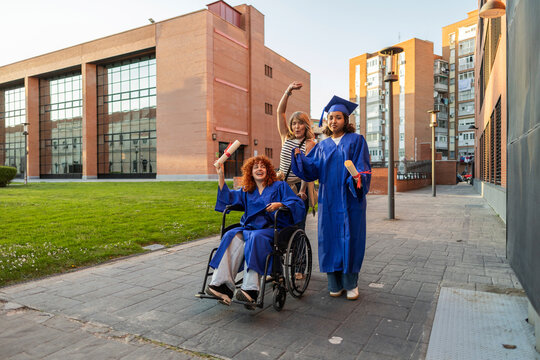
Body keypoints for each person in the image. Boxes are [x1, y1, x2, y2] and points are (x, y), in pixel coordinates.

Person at [291, 95, 371, 301]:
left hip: (351, 200)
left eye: (338, 117)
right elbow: (311, 170)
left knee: (351, 238)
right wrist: (300, 157)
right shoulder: (322, 146)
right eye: (330, 118)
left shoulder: (356, 140)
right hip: (328, 200)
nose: (333, 121)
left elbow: (363, 168)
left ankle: (351, 283)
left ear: (346, 120)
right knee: (330, 239)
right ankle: (334, 283)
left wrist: (358, 178)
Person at [206, 155, 305, 308]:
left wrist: (280, 203)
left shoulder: (280, 186)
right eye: (255, 167)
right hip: (250, 229)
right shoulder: (247, 190)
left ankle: (250, 289)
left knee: (255, 237)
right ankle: (221, 285)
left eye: (263, 166)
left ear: (268, 170)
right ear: (250, 172)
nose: (259, 169)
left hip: (274, 229)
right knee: (231, 235)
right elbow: (228, 198)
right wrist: (220, 174)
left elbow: (297, 203)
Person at [276, 81, 317, 227]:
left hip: (299, 185)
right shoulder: (286, 137)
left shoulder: (310, 143)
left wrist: (302, 190)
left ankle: (298, 248)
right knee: (280, 221)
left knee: (297, 224)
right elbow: (280, 112)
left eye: (300, 123)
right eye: (294, 123)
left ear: (305, 125)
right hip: (281, 183)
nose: (296, 126)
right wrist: (288, 90)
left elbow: (307, 170)